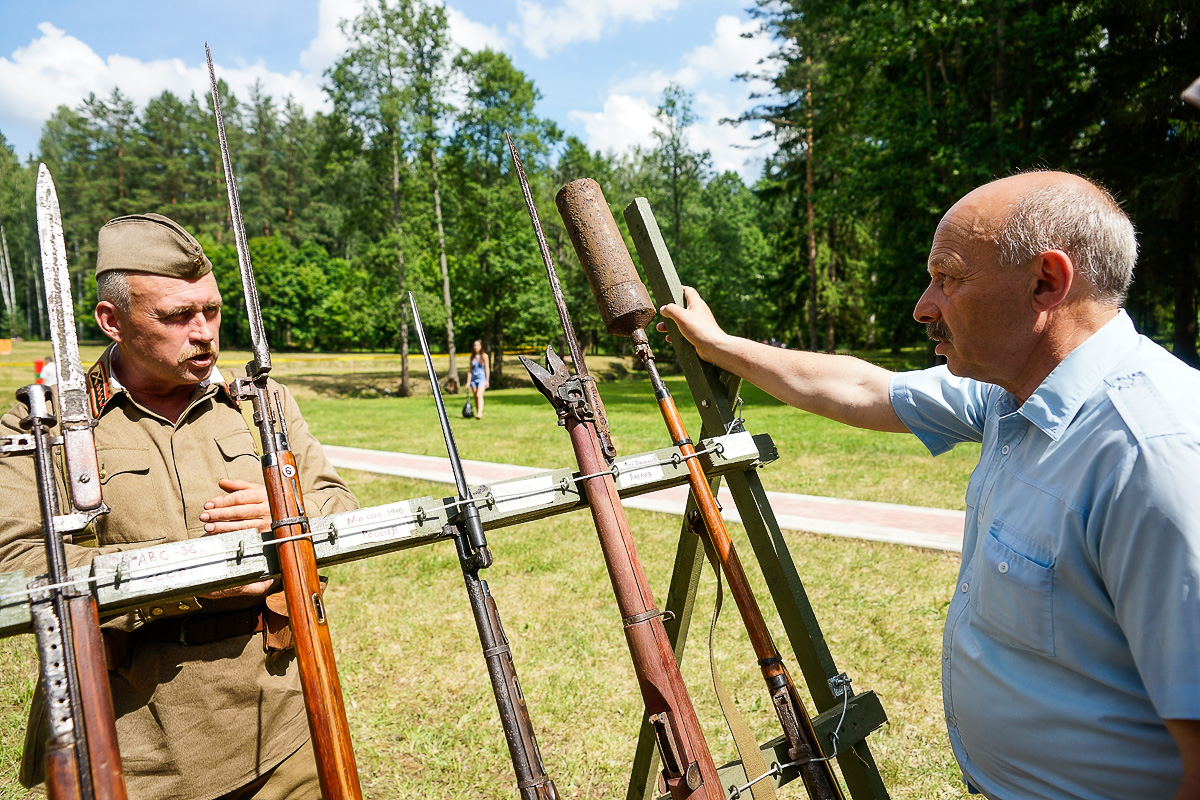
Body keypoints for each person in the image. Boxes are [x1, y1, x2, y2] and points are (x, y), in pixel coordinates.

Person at [659, 171, 1200, 799]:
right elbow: (861, 388)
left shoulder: (1153, 455)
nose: (923, 305)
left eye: (950, 278)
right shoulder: (1013, 394)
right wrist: (720, 345)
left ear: (1047, 283)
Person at [0, 213, 358, 800]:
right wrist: (192, 574)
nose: (204, 333)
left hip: (284, 718)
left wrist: (284, 518)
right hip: (131, 741)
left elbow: (339, 505)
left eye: (211, 310)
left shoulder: (259, 403)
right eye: (175, 316)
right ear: (112, 321)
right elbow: (17, 564)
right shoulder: (46, 427)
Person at [467, 339, 489, 420]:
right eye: (475, 345)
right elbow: (469, 370)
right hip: (473, 379)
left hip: (482, 378)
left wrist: (487, 380)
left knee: (479, 395)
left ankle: (480, 413)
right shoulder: (472, 357)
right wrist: (468, 381)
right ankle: (477, 412)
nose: (476, 347)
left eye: (478, 345)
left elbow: (487, 368)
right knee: (475, 396)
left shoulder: (484, 356)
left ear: (481, 346)